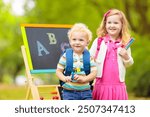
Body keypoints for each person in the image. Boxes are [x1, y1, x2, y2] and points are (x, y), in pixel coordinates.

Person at [89, 9, 134, 100]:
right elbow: (88, 59)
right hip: (100, 84)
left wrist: (126, 56)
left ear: (122, 25)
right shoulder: (99, 41)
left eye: (116, 23)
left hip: (118, 85)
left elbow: (129, 63)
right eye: (109, 22)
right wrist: (91, 59)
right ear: (105, 24)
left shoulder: (124, 43)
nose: (112, 25)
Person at [56, 23, 97, 100]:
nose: (77, 42)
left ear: (87, 42)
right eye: (74, 39)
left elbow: (94, 73)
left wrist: (85, 79)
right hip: (69, 92)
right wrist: (64, 78)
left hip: (86, 92)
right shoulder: (66, 56)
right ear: (70, 41)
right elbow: (58, 71)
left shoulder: (89, 57)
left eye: (81, 40)